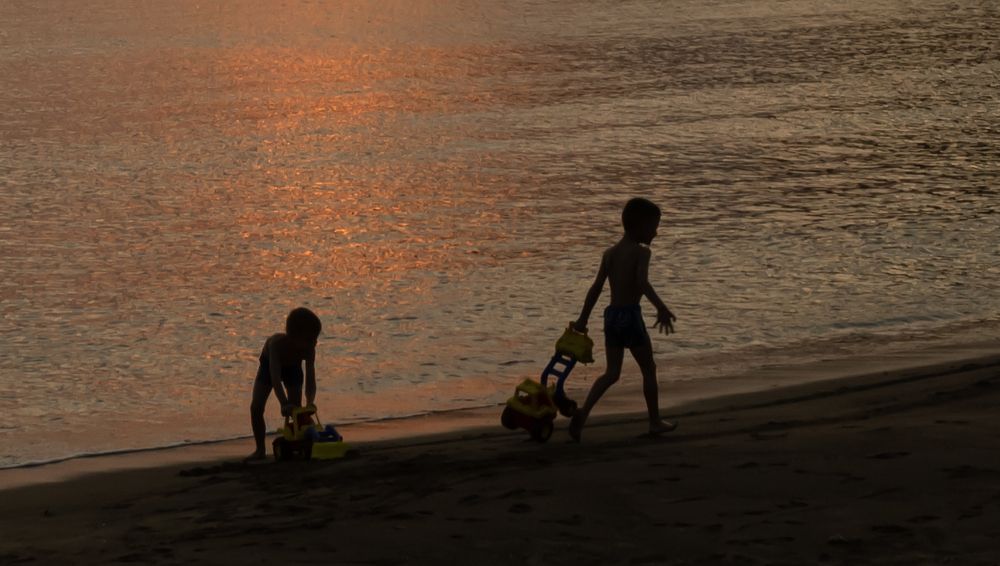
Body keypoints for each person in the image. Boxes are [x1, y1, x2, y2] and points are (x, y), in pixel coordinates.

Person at [568, 197, 677, 441]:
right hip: (630, 315)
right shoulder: (642, 252)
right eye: (654, 227)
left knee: (611, 373)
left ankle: (583, 414)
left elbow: (596, 288)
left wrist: (582, 320)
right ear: (640, 225)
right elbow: (641, 282)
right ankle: (654, 421)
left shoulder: (609, 254)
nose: (656, 233)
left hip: (612, 317)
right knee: (649, 369)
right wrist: (661, 307)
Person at [246, 307, 322, 461]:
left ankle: (304, 441)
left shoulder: (309, 350)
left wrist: (310, 403)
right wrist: (283, 402)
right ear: (294, 337)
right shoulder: (276, 345)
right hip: (269, 366)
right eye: (310, 339)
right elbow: (275, 377)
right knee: (256, 407)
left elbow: (310, 378)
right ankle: (260, 449)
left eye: (315, 338)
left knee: (298, 410)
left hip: (293, 368)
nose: (315, 342)